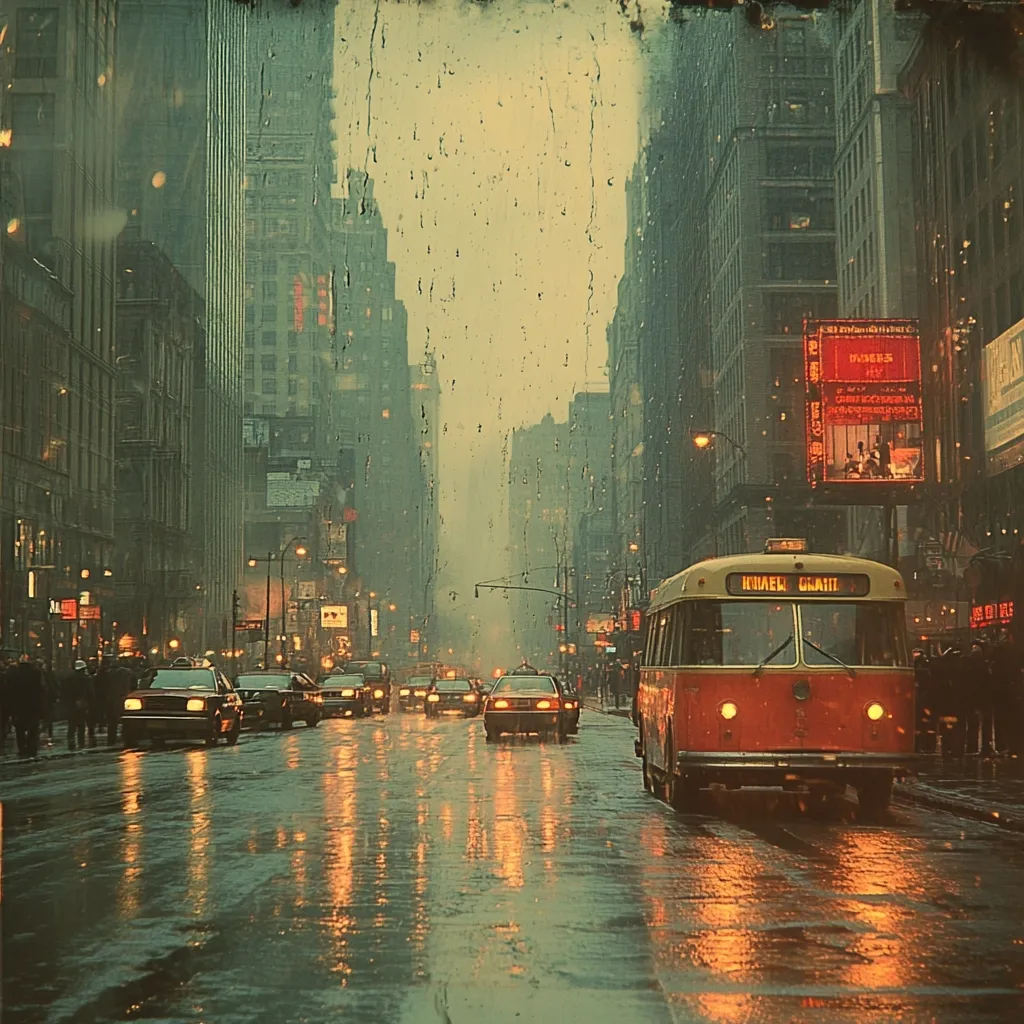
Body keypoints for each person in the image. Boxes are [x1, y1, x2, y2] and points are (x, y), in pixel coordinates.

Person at [6, 654, 45, 758]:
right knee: (33, 728)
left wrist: (10, 708)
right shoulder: (36, 673)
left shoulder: (13, 674)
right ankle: (31, 748)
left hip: (18, 706)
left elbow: (9, 692)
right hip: (33, 705)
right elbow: (41, 690)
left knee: (20, 729)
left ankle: (22, 748)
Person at [62, 660, 94, 751]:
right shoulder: (86, 679)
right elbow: (90, 693)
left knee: (71, 725)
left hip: (71, 705)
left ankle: (71, 742)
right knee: (81, 725)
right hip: (82, 705)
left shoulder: (67, 679)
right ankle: (81, 743)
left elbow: (64, 693)